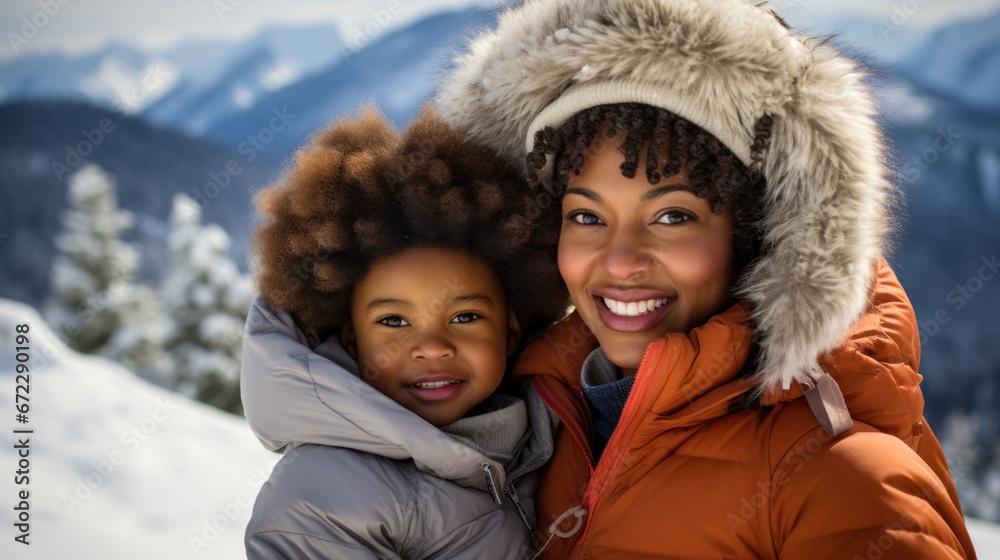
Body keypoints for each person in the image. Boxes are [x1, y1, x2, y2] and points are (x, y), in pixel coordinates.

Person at [432, 0, 979, 558]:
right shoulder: (525, 425)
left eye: (673, 217)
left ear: (757, 236)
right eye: (587, 216)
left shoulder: (841, 480)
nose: (620, 262)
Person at [240, 106, 570, 559]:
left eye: (465, 317)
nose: (432, 347)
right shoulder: (321, 498)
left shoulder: (551, 441)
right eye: (394, 322)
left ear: (511, 331)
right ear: (353, 340)